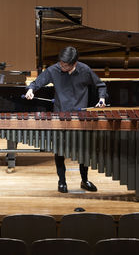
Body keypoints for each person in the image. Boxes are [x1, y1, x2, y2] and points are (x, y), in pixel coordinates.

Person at [25, 46, 107, 193]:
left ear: (74, 63)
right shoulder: (54, 70)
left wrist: (101, 98)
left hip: (80, 117)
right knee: (60, 151)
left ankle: (84, 180)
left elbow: (101, 85)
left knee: (84, 151)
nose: (61, 66)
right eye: (61, 63)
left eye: (65, 65)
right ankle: (62, 181)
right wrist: (31, 90)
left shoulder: (85, 70)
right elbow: (37, 82)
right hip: (60, 115)